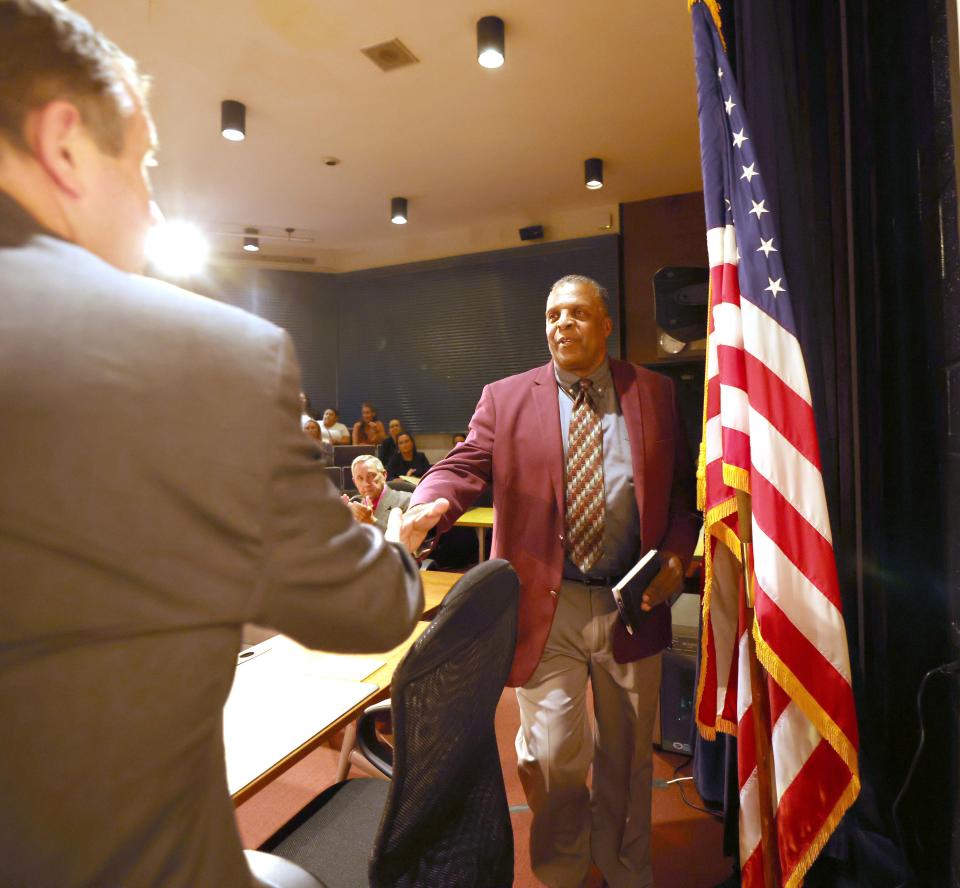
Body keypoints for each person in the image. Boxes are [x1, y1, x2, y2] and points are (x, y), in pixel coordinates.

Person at [0, 3, 423, 885]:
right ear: (65, 144)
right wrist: (396, 535)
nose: (151, 203)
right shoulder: (208, 358)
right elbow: (370, 609)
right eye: (143, 162)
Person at [400, 275, 698, 888]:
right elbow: (464, 463)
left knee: (629, 754)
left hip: (631, 602)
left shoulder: (658, 393)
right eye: (553, 315)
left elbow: (679, 496)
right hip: (546, 602)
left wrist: (674, 557)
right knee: (556, 755)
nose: (563, 324)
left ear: (606, 323)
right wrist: (429, 503)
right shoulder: (506, 398)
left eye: (578, 313)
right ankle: (562, 871)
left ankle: (625, 869)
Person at [343, 455, 411, 527]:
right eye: (360, 478)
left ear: (384, 475)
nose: (366, 483)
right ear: (354, 482)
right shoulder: (354, 504)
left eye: (372, 475)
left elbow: (403, 537)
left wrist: (371, 521)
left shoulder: (407, 500)